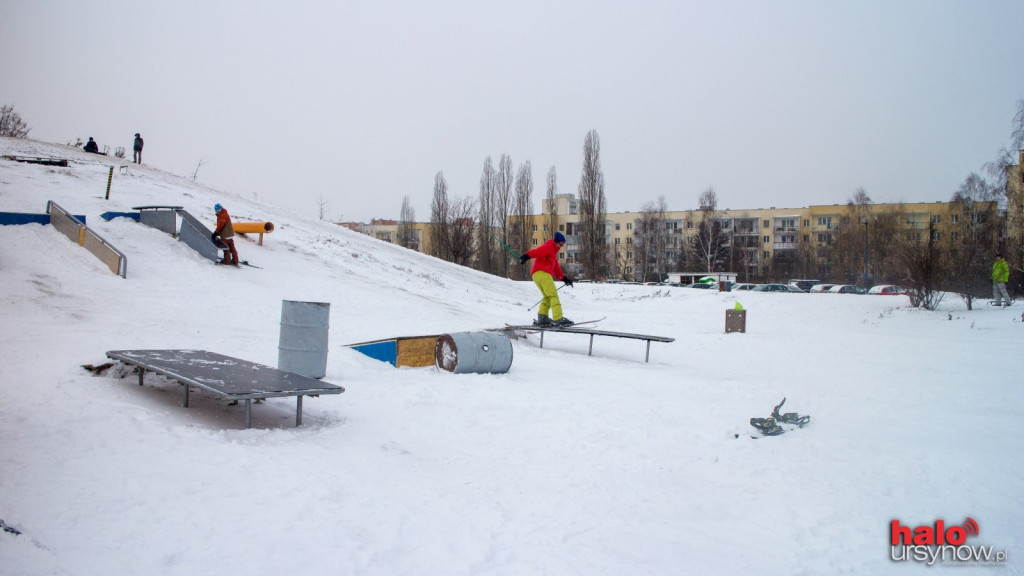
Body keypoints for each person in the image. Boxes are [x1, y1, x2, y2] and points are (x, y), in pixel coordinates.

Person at [519, 231, 574, 326]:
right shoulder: (549, 247)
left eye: (563, 244)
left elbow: (557, 269)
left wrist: (565, 279)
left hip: (537, 275)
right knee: (553, 295)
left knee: (547, 296)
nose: (561, 246)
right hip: (543, 273)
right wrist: (526, 256)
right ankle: (558, 318)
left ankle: (542, 317)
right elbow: (537, 251)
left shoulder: (552, 253)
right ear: (557, 241)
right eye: (561, 243)